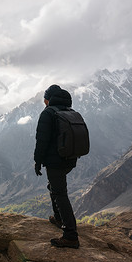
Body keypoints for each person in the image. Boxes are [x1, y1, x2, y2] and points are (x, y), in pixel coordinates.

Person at [34, 84, 80, 249]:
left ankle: (70, 235)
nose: (44, 101)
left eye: (45, 98)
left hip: (55, 161)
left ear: (48, 98)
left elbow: (42, 140)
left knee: (60, 193)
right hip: (70, 159)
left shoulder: (48, 113)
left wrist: (37, 161)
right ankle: (59, 219)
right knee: (54, 186)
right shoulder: (69, 111)